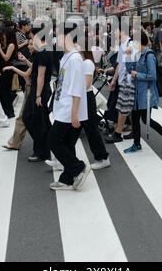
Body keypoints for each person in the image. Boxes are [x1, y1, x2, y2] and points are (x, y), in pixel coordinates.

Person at [48, 25, 90, 192]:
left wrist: (74, 114)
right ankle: (67, 178)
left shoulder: (75, 59)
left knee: (52, 140)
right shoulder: (66, 56)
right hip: (62, 105)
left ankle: (78, 167)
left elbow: (77, 88)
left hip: (69, 109)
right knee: (67, 142)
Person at [124, 31, 162, 154]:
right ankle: (136, 144)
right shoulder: (136, 54)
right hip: (136, 92)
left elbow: (152, 76)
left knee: (146, 120)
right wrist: (128, 56)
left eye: (133, 42)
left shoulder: (149, 55)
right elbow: (129, 70)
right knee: (134, 118)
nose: (131, 45)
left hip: (146, 94)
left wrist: (138, 74)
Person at [22, 31, 53, 163]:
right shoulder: (44, 51)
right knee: (36, 120)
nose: (30, 42)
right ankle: (44, 148)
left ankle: (42, 151)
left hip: (39, 90)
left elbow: (41, 75)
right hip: (40, 89)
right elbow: (37, 70)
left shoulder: (41, 53)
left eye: (32, 38)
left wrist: (38, 95)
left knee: (35, 120)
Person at [2, 39, 35, 151]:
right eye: (29, 44)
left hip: (32, 90)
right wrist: (25, 60)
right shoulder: (36, 56)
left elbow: (27, 73)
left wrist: (12, 68)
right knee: (30, 118)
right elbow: (32, 68)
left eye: (31, 44)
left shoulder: (39, 56)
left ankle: (15, 143)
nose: (29, 47)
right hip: (31, 88)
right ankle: (15, 142)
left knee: (23, 117)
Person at [80, 49, 110, 170]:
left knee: (91, 128)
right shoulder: (80, 61)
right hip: (81, 96)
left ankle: (102, 157)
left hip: (85, 97)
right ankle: (61, 158)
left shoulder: (87, 62)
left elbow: (87, 84)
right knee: (72, 129)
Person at [105, 24, 134, 144]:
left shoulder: (131, 44)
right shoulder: (122, 45)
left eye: (115, 31)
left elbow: (133, 64)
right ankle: (134, 129)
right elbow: (119, 66)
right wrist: (114, 80)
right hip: (122, 80)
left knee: (123, 108)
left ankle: (117, 134)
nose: (113, 34)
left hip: (129, 81)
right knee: (127, 107)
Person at [0, 29, 18, 119]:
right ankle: (6, 110)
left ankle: (9, 111)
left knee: (5, 90)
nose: (3, 36)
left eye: (5, 35)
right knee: (1, 90)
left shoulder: (11, 45)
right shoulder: (7, 43)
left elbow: (6, 58)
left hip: (7, 69)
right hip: (3, 69)